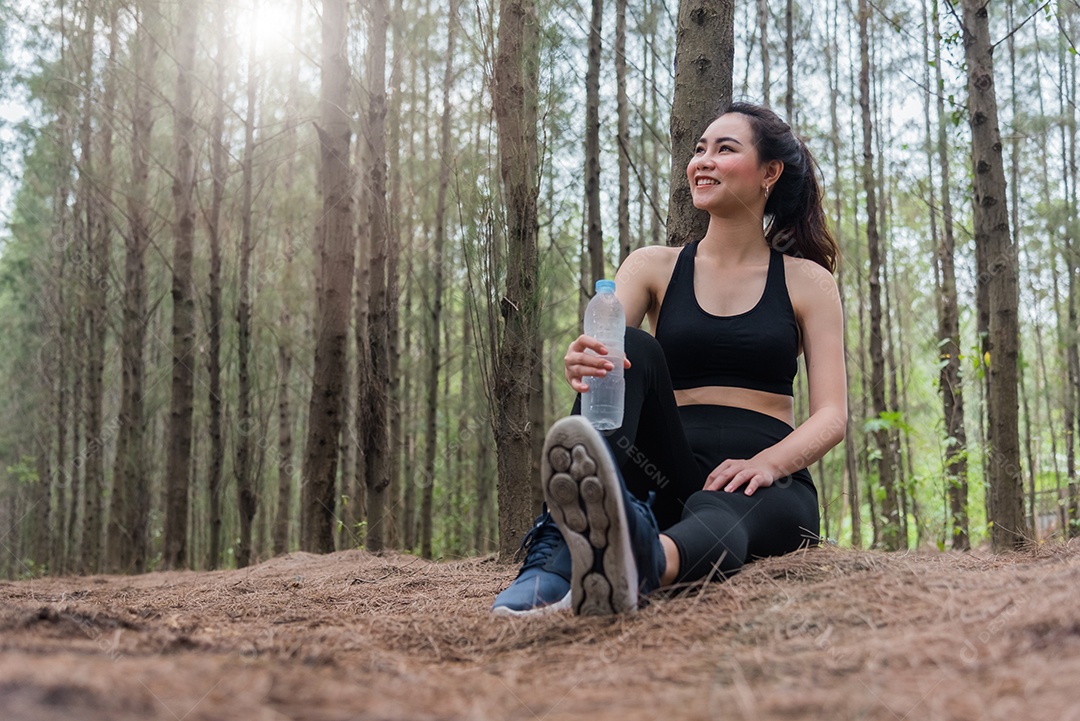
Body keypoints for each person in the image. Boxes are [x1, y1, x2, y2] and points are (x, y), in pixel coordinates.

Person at [492, 101, 846, 616]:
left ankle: (640, 561)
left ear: (770, 172)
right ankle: (556, 560)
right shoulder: (651, 266)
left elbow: (832, 415)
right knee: (625, 345)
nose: (703, 160)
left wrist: (768, 465)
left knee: (722, 510)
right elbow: (607, 359)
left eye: (725, 149)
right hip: (664, 466)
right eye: (699, 148)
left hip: (768, 476)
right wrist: (582, 360)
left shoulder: (807, 280)